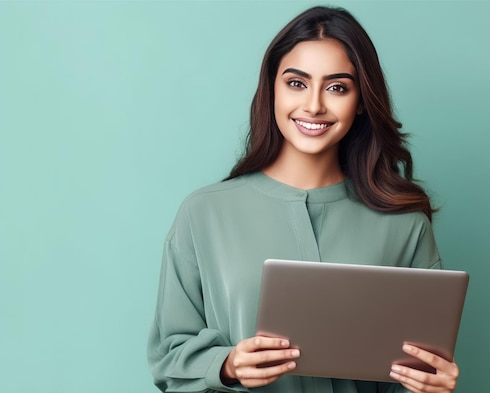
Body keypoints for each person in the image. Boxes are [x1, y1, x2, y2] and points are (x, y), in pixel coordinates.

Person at [148, 5, 460, 393]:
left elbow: (411, 370)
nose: (314, 105)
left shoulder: (405, 224)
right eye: (296, 83)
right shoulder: (204, 213)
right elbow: (168, 357)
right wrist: (227, 365)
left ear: (361, 100)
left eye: (337, 87)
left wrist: (433, 385)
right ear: (272, 89)